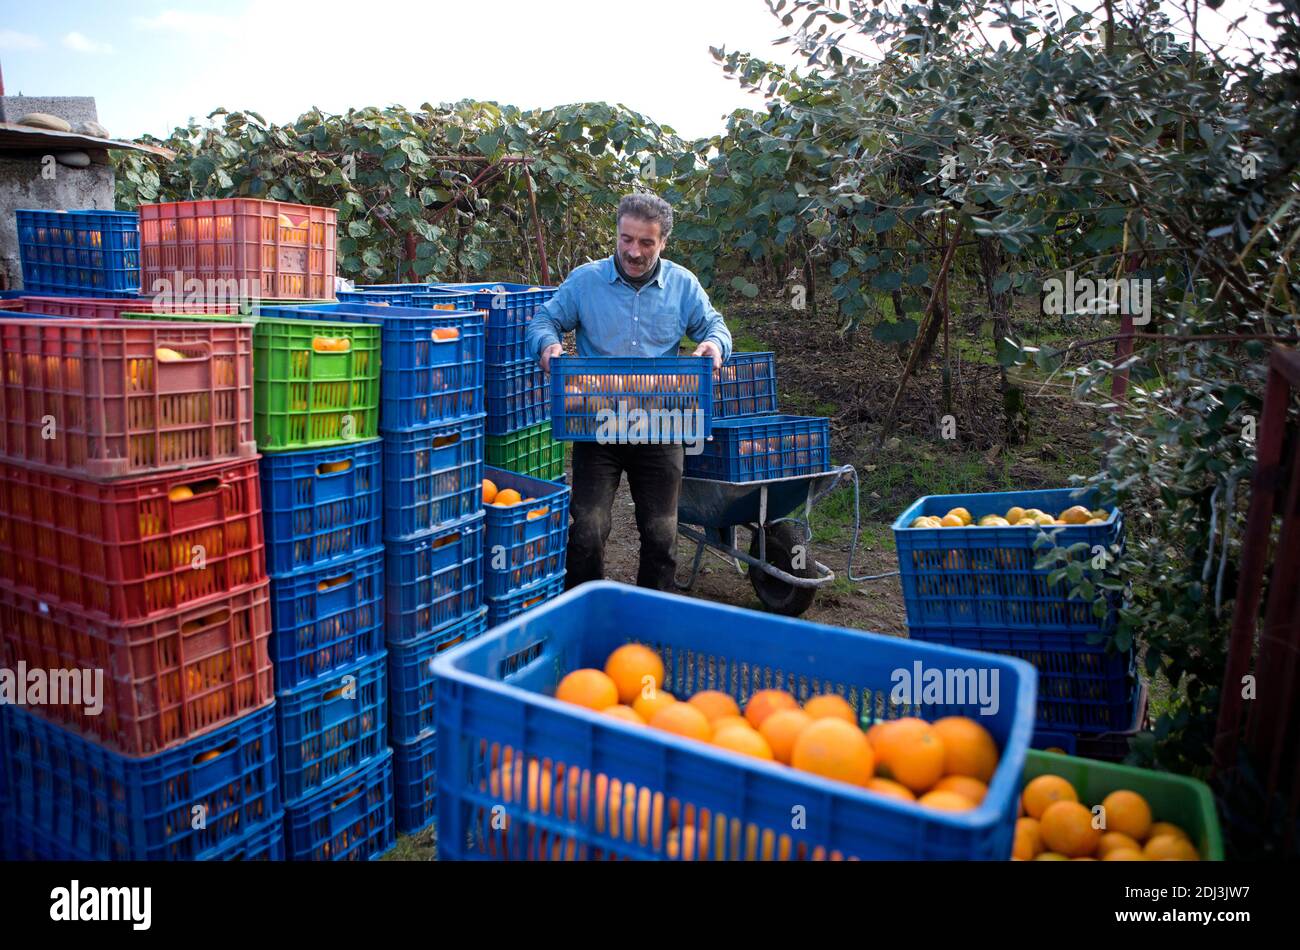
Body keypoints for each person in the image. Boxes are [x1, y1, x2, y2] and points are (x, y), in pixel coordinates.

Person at [527, 192, 733, 592]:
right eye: (626, 239)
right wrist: (548, 345)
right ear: (617, 234)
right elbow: (545, 319)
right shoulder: (586, 281)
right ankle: (588, 610)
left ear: (663, 243)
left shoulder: (682, 285)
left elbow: (715, 326)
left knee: (660, 533)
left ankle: (651, 620)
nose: (633, 251)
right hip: (596, 420)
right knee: (588, 527)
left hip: (661, 420)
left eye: (645, 243)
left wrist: (714, 345)